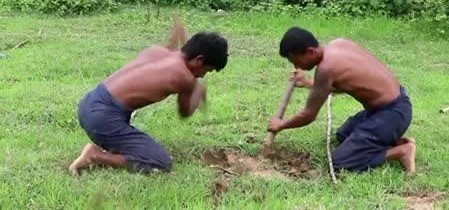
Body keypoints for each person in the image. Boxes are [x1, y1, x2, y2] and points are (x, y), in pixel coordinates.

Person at [69, 32, 229, 176]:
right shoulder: (185, 78)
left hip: (89, 102)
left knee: (129, 133)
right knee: (160, 162)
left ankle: (114, 143)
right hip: (103, 118)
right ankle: (96, 156)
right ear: (198, 60)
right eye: (207, 70)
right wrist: (198, 92)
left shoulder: (157, 51)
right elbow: (185, 112)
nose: (202, 76)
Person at [268, 27, 415, 174]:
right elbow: (347, 83)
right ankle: (395, 139)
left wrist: (281, 125)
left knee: (341, 161)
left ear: (310, 52)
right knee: (343, 135)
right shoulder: (339, 44)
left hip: (392, 113)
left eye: (297, 62)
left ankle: (402, 151)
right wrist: (309, 83)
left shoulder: (326, 69)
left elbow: (309, 115)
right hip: (393, 106)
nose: (297, 67)